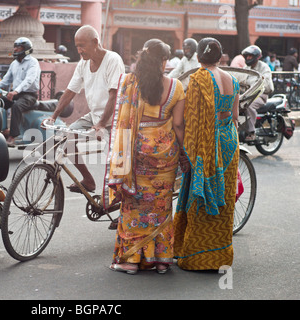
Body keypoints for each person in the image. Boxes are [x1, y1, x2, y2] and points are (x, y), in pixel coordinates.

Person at [103, 39, 186, 275]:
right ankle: (160, 261)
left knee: (134, 205)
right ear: (164, 61)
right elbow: (178, 125)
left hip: (134, 153)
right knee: (161, 205)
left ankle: (130, 260)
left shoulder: (131, 84)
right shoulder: (176, 86)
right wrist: (184, 155)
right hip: (165, 155)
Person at [173, 37, 240, 270]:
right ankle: (220, 257)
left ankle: (195, 256)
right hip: (229, 143)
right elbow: (234, 117)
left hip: (204, 145)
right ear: (220, 56)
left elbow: (188, 121)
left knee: (199, 197)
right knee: (224, 200)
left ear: (198, 57)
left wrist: (185, 151)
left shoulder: (199, 79)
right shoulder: (233, 79)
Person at [47, 25, 125, 194]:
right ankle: (88, 180)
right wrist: (53, 116)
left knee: (115, 166)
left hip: (115, 119)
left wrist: (102, 124)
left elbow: (114, 95)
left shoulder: (113, 60)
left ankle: (118, 203)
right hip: (95, 116)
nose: (79, 50)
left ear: (95, 42)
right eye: (77, 46)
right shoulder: (83, 64)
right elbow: (70, 92)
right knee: (67, 139)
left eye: (82, 45)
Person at [0, 37, 41, 146]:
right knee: (0, 103)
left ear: (26, 49)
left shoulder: (33, 62)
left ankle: (12, 137)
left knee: (16, 107)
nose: (15, 49)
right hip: (15, 93)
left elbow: (29, 80)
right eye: (15, 47)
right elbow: (6, 80)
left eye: (18, 47)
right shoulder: (14, 64)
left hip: (29, 95)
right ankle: (4, 129)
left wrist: (15, 91)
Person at [241, 45, 274, 141]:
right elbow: (240, 79)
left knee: (249, 105)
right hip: (247, 95)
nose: (248, 58)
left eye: (250, 56)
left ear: (256, 57)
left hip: (260, 95)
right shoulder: (246, 67)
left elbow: (267, 86)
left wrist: (252, 83)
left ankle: (252, 132)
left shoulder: (264, 67)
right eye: (247, 56)